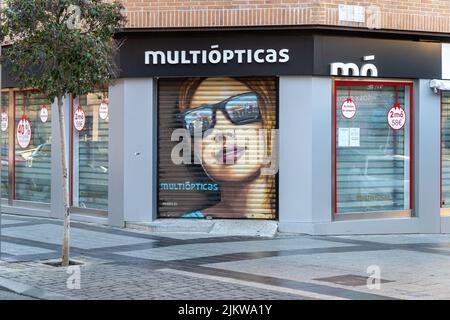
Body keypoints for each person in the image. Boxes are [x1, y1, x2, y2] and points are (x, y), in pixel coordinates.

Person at [177, 77, 277, 219]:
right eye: (199, 120)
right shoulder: (187, 226)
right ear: (192, 145)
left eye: (243, 109)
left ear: (270, 119)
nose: (222, 132)